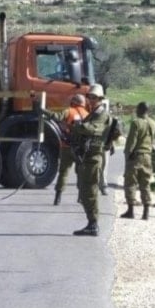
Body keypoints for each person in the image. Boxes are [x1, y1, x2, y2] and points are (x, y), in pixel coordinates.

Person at [70, 84, 110, 236]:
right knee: (84, 190)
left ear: (100, 99)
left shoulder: (101, 114)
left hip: (94, 158)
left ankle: (93, 224)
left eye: (93, 98)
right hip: (87, 157)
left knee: (91, 191)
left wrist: (78, 125)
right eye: (89, 97)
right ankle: (91, 222)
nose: (90, 100)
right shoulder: (92, 113)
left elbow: (92, 129)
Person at [42, 94, 89, 205]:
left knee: (63, 172)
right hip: (81, 149)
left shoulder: (69, 111)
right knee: (81, 173)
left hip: (67, 147)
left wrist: (42, 111)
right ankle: (81, 197)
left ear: (74, 102)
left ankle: (58, 198)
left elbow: (56, 117)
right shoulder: (87, 115)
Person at [121, 102, 155, 220]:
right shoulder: (153, 123)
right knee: (145, 183)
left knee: (131, 182)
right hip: (148, 156)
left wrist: (128, 154)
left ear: (139, 110)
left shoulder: (136, 123)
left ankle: (130, 210)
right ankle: (146, 212)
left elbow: (132, 140)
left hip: (136, 156)